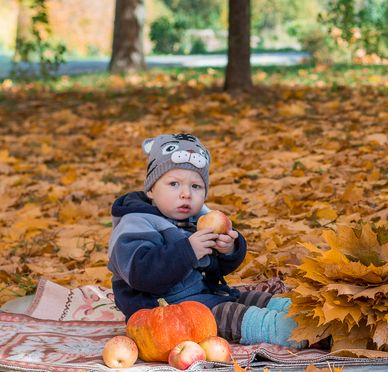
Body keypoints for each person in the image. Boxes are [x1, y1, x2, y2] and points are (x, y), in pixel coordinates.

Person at [107, 133, 305, 349]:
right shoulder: (135, 223)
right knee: (233, 316)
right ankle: (285, 330)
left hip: (207, 295)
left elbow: (215, 269)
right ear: (151, 189)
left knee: (252, 298)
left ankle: (299, 311)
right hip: (165, 311)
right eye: (174, 183)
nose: (186, 194)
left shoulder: (196, 219)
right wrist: (188, 251)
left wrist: (228, 249)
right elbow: (141, 273)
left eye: (196, 186)